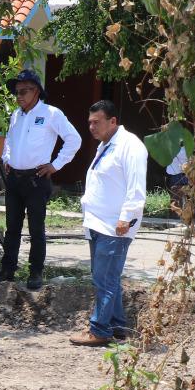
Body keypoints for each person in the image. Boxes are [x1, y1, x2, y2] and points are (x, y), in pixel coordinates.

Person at [71, 100, 148, 346]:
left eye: (97, 122)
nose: (91, 127)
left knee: (104, 280)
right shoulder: (106, 144)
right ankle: (117, 325)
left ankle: (99, 329)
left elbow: (136, 189)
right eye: (90, 122)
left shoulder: (130, 146)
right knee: (105, 278)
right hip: (98, 223)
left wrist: (126, 218)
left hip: (115, 226)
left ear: (112, 121)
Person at [0, 68, 82, 290]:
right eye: (17, 92)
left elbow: (74, 139)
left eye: (24, 91)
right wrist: (6, 158)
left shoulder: (51, 114)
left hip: (37, 179)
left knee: (36, 228)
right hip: (14, 179)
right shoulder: (16, 115)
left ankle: (35, 272)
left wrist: (55, 165)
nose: (19, 96)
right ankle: (7, 270)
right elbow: (9, 140)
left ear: (36, 91)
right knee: (12, 228)